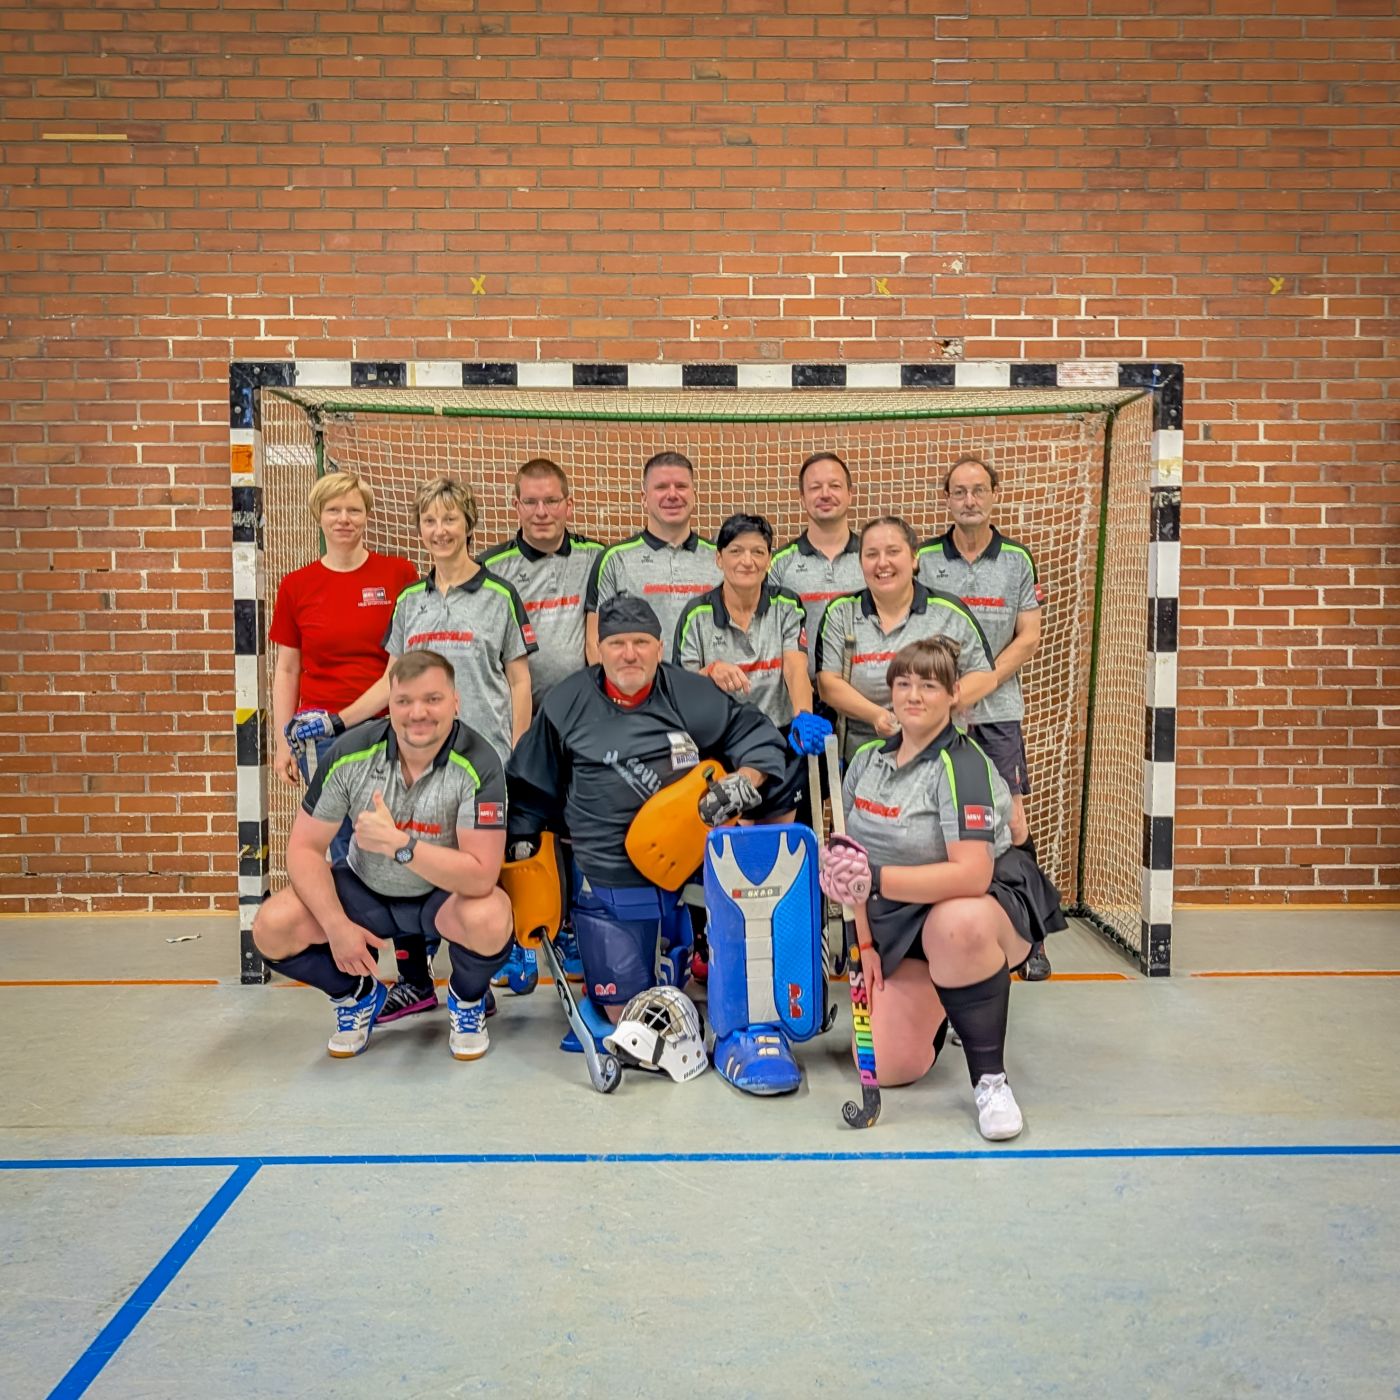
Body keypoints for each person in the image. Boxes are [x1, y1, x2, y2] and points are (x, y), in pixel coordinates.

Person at [288, 476, 535, 1023]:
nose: (440, 530)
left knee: (476, 878)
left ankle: (475, 981)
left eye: (450, 519)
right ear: (420, 529)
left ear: (469, 525)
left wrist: (519, 755)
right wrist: (338, 719)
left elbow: (519, 681)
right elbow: (390, 682)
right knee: (405, 865)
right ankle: (417, 983)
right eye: (429, 521)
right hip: (417, 762)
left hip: (481, 765)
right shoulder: (409, 601)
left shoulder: (499, 597)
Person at [506, 595, 790, 1055]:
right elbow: (529, 786)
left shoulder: (689, 693)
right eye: (617, 644)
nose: (630, 654)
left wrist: (747, 778)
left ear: (660, 648)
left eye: (641, 642)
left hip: (689, 859)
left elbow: (755, 733)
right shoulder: (566, 702)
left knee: (738, 996)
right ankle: (635, 978)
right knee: (632, 1020)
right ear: (599, 650)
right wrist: (522, 855)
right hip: (606, 872)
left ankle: (686, 952)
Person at [819, 637, 1066, 1141]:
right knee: (889, 1066)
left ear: (953, 695)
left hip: (978, 903)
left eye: (929, 686)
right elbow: (853, 863)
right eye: (904, 683)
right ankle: (949, 999)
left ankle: (991, 1083)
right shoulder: (866, 760)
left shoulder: (963, 764)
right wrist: (865, 942)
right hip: (898, 916)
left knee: (957, 924)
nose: (914, 695)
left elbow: (971, 875)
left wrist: (877, 880)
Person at [252, 650, 515, 1063]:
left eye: (432, 699)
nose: (418, 713)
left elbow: (482, 875)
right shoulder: (351, 753)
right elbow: (304, 848)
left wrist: (400, 845)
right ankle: (355, 995)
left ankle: (467, 1001)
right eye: (404, 701)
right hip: (367, 891)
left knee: (492, 917)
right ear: (388, 703)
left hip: (441, 896)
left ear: (455, 702)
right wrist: (336, 925)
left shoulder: (479, 762)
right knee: (271, 925)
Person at [918, 452, 1051, 980]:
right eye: (959, 491)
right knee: (939, 821)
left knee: (1012, 821)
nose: (969, 500)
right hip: (939, 714)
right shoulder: (926, 558)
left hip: (996, 711)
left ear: (995, 495)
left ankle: (1032, 938)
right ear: (946, 499)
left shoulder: (1016, 560)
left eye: (978, 490)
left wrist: (982, 683)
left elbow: (1029, 636)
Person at [478, 457, 603, 993]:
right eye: (530, 501)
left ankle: (568, 929)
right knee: (518, 832)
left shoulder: (598, 558)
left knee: (576, 829)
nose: (542, 511)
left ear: (569, 504)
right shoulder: (491, 567)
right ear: (515, 506)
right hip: (516, 722)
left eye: (552, 500)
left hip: (580, 723)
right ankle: (519, 939)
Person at [270, 470, 418, 862]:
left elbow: (401, 667)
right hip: (320, 736)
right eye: (333, 510)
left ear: (367, 515)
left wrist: (352, 718)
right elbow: (287, 669)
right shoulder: (296, 585)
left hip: (385, 728)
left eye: (353, 510)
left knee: (387, 836)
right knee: (340, 844)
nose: (343, 519)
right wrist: (283, 742)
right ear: (318, 516)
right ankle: (344, 905)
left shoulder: (399, 574)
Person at [816, 516, 998, 760]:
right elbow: (828, 684)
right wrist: (877, 716)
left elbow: (985, 677)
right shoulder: (840, 613)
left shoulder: (950, 612)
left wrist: (929, 710)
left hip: (938, 754)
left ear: (914, 558)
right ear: (860, 563)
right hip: (862, 756)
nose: (882, 563)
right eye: (871, 554)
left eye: (893, 552)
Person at [584, 450, 716, 664]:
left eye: (681, 486)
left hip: (707, 684)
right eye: (661, 487)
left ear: (694, 495)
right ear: (644, 498)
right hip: (639, 685)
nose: (672, 495)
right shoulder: (615, 559)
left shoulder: (719, 558)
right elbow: (595, 644)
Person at [769, 450, 865, 679]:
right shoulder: (780, 564)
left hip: (862, 693)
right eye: (815, 487)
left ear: (850, 494)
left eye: (834, 486)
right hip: (800, 691)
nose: (825, 494)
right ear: (802, 499)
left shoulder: (873, 559)